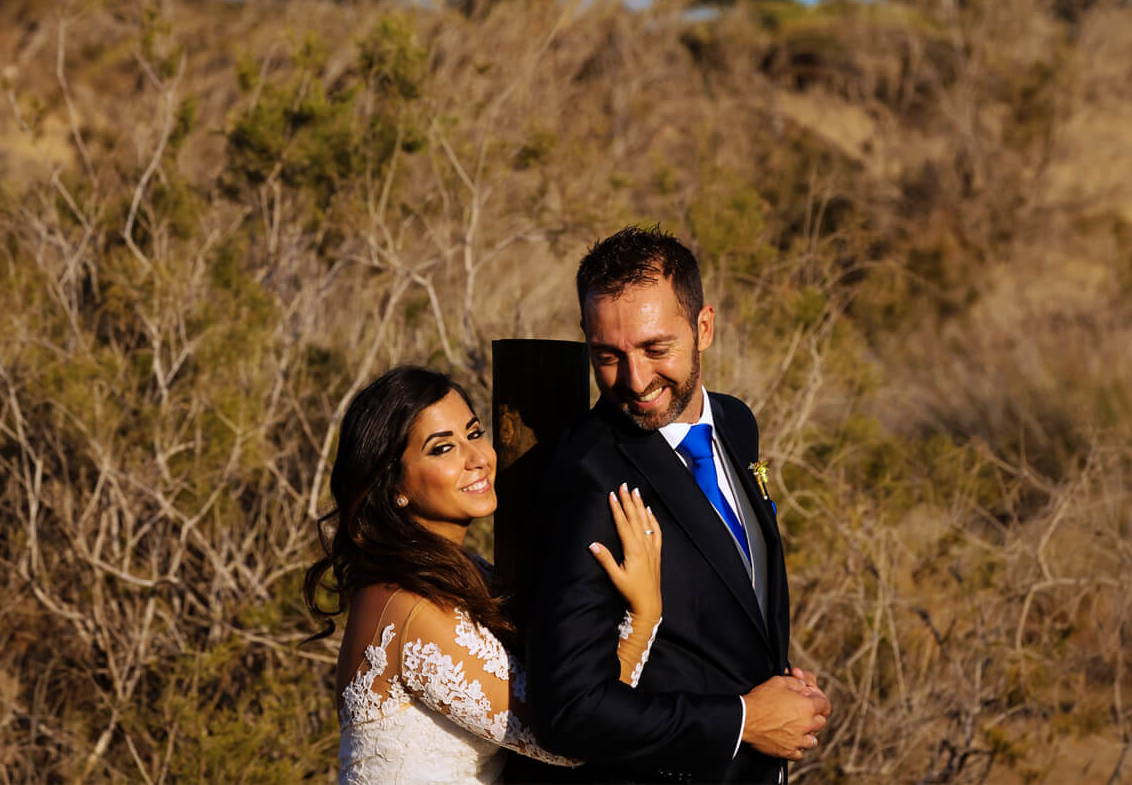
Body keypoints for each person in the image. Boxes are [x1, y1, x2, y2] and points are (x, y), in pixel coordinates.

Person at [528, 226, 830, 782]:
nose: (636, 379)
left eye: (655, 348)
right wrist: (742, 720)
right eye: (608, 355)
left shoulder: (737, 424)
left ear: (704, 327)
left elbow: (725, 599)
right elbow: (568, 710)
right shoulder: (585, 477)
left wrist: (779, 685)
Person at [305, 365, 666, 784]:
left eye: (474, 434)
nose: (478, 458)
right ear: (393, 485)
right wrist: (643, 615)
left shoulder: (458, 572)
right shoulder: (412, 606)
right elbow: (570, 739)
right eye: (442, 449)